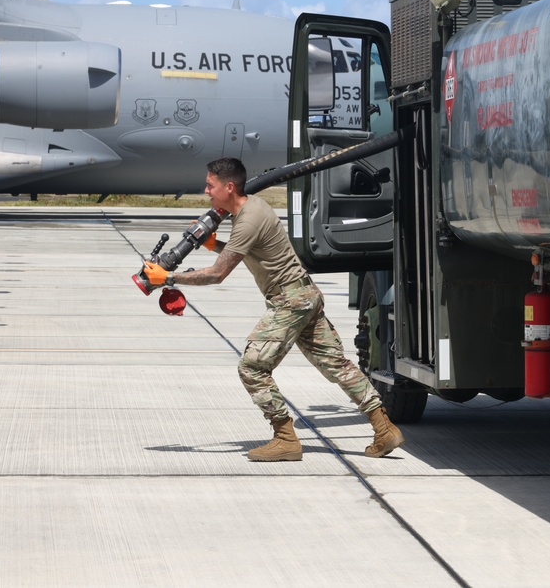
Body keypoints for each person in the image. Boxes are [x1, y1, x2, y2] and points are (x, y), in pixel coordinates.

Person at [142, 157, 404, 461]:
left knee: (252, 367)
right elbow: (249, 251)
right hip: (304, 295)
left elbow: (217, 274)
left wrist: (169, 278)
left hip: (290, 301)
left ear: (229, 187)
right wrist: (214, 244)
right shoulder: (251, 209)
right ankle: (384, 428)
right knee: (338, 366)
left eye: (210, 185)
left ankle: (285, 438)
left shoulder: (249, 218)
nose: (206, 191)